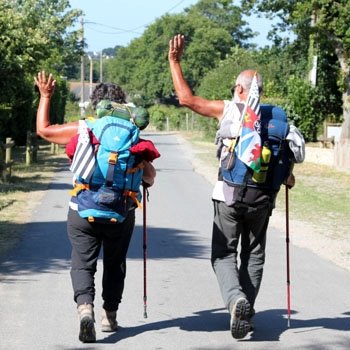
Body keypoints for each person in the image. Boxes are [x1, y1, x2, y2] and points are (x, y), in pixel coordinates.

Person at [168, 34, 302, 340]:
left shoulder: (230, 109)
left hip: (228, 198)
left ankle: (236, 302)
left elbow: (187, 99)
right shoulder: (276, 118)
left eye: (235, 87)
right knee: (254, 256)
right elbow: (288, 171)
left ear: (240, 89)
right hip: (263, 200)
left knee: (223, 254)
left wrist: (174, 62)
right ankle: (245, 312)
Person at [35, 71, 158, 343]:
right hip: (121, 209)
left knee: (82, 262)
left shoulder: (85, 127)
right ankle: (109, 316)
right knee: (115, 264)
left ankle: (85, 310)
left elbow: (44, 130)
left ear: (96, 105)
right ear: (123, 104)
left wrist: (45, 96)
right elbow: (149, 177)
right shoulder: (133, 134)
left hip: (82, 208)